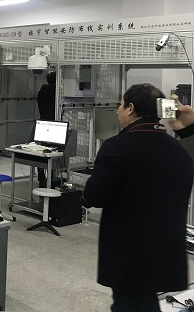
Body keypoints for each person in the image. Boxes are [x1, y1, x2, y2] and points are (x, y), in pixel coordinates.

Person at [82, 84, 193, 312]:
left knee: (130, 305)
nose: (117, 110)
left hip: (129, 256)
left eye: (120, 105)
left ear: (130, 108)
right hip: (167, 251)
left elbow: (95, 196)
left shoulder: (117, 147)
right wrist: (188, 129)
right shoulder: (178, 150)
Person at [36, 71, 56, 187]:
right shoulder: (53, 92)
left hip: (42, 123)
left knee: (40, 151)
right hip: (53, 125)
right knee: (52, 152)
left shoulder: (41, 92)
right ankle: (51, 177)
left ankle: (41, 177)